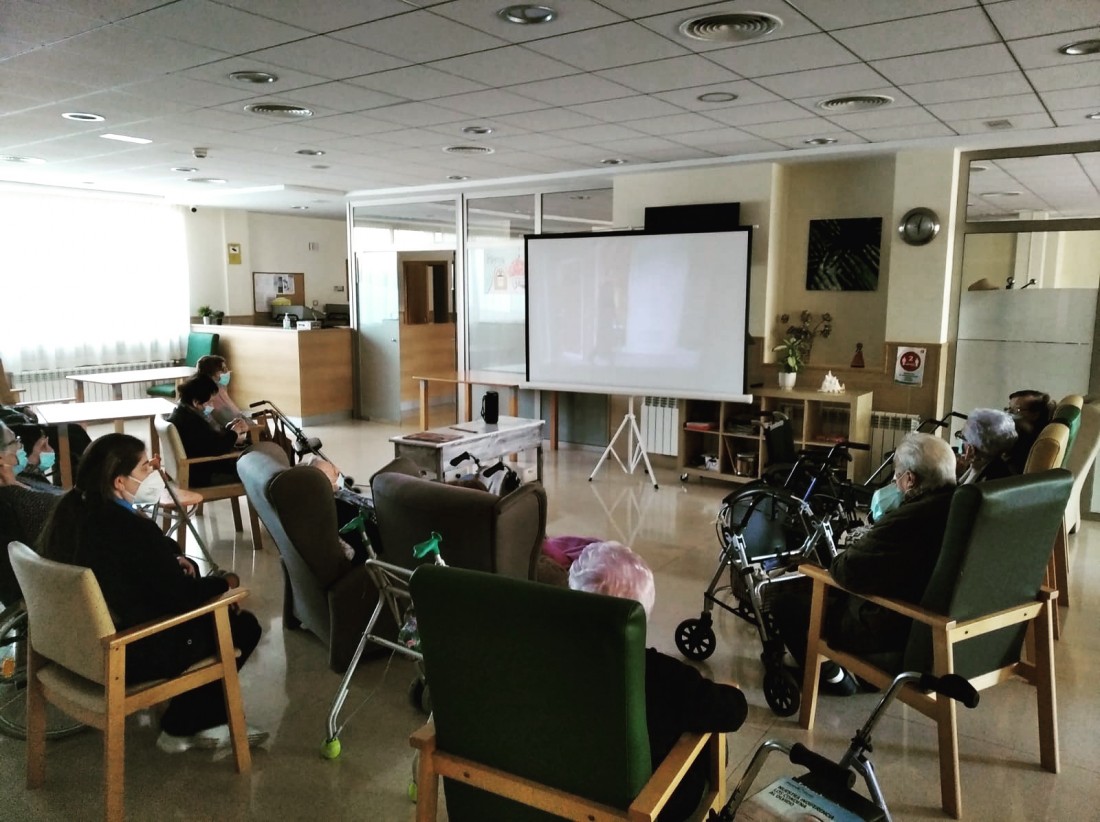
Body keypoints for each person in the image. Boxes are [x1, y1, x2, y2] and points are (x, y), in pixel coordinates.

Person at [36, 433, 266, 752]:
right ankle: (185, 725)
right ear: (119, 481)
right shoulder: (130, 528)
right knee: (241, 625)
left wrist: (171, 560)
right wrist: (225, 584)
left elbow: (133, 565)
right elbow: (180, 598)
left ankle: (193, 716)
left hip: (75, 648)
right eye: (145, 467)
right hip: (127, 652)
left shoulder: (73, 513)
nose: (154, 472)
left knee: (215, 614)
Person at [568, 541, 747, 822]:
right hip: (650, 806)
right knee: (710, 739)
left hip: (568, 793)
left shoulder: (551, 663)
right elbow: (733, 712)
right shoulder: (665, 675)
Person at [773, 432, 958, 696]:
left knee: (787, 604)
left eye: (896, 476)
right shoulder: (959, 508)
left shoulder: (905, 521)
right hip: (936, 627)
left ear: (910, 479)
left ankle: (833, 680)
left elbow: (847, 571)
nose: (895, 482)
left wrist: (843, 552)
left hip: (888, 625)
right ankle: (861, 678)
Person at [0, 422, 63, 607]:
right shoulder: (17, 502)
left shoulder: (14, 483)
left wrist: (34, 461)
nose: (20, 446)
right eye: (15, 442)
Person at [168, 376, 250, 487]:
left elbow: (206, 441)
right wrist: (234, 433)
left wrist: (228, 429)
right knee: (254, 475)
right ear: (196, 402)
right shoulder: (191, 421)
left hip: (194, 470)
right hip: (204, 475)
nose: (212, 406)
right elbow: (217, 449)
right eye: (209, 402)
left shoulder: (181, 414)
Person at [955, 408, 1017, 484]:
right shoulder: (982, 465)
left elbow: (963, 491)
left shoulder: (992, 477)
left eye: (963, 437)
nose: (962, 442)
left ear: (972, 448)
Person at [1006, 390, 1054, 474]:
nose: (1008, 414)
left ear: (1036, 414)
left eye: (1017, 410)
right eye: (1009, 409)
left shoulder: (1033, 443)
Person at [195, 355, 248, 428]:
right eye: (223, 369)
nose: (227, 372)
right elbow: (224, 421)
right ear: (211, 373)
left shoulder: (221, 387)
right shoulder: (209, 395)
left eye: (226, 368)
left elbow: (236, 413)